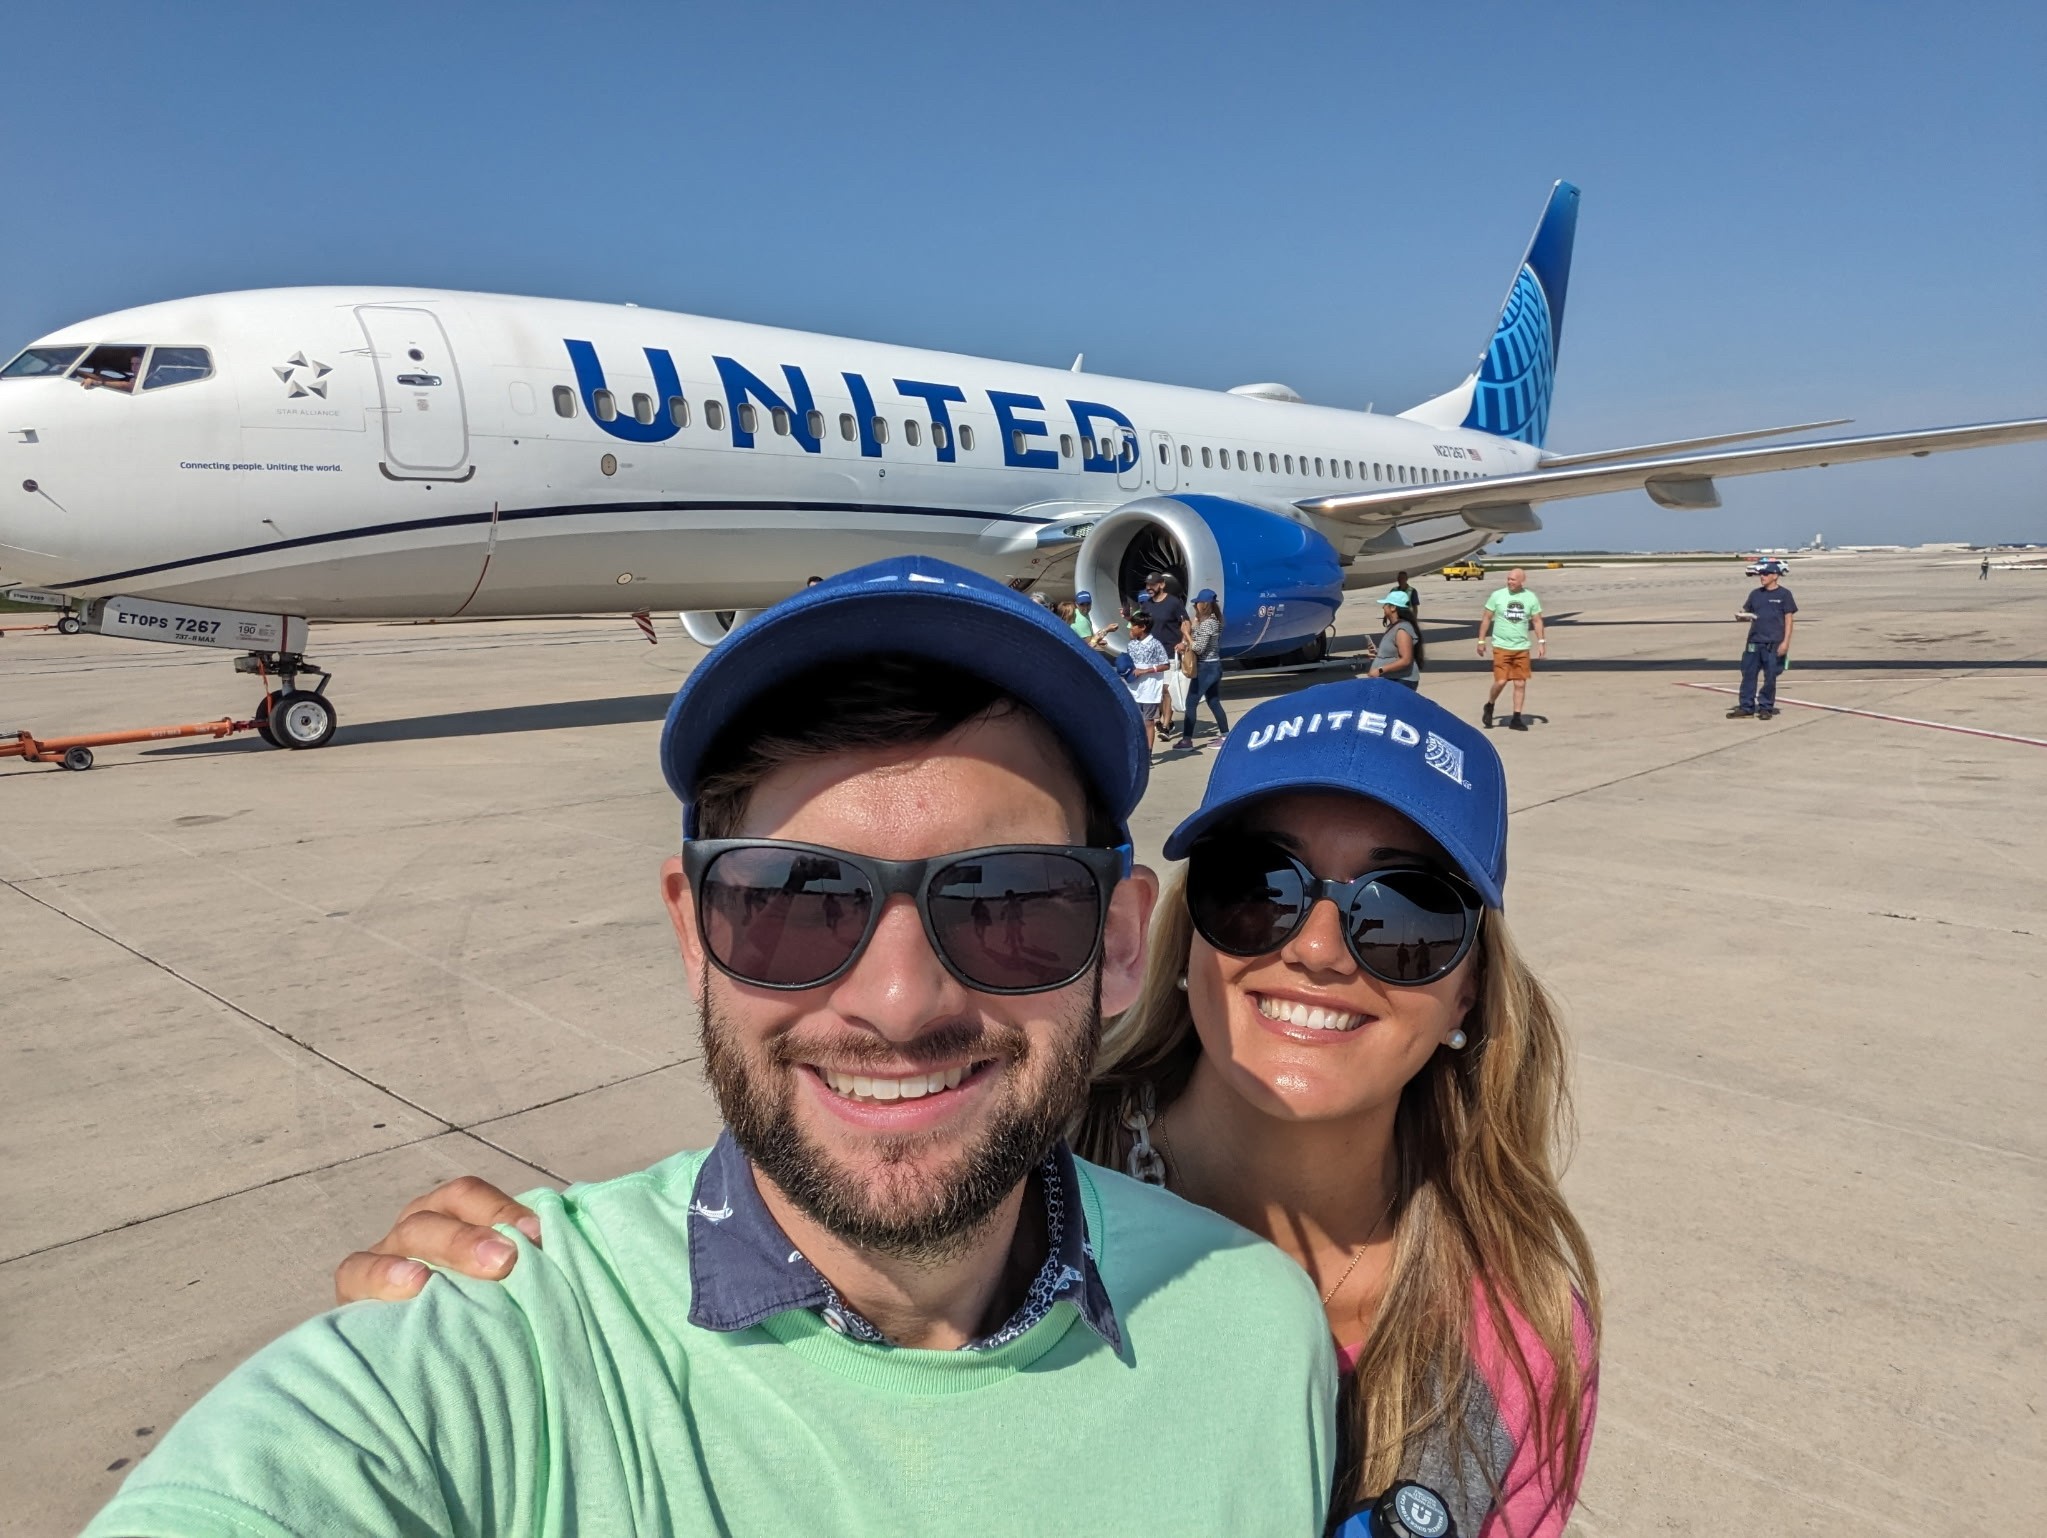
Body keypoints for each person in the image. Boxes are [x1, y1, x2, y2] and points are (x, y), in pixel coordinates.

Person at [86, 557, 1338, 1538]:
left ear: (1121, 946)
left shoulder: (1258, 1331)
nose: (896, 1002)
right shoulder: (489, 1351)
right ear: (695, 936)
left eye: (1006, 901)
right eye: (794, 898)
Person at [342, 678, 1600, 1536]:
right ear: (1165, 931)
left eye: (1406, 910)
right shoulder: (1006, 1160)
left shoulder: (1520, 1324)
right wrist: (491, 1307)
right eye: (1256, 888)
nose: (1319, 948)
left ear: (1473, 986)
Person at [1728, 560, 1797, 720]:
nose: (1762, 577)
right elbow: (1746, 612)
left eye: (1765, 574)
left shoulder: (1784, 595)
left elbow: (1789, 619)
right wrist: (1741, 617)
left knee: (1770, 676)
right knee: (1748, 674)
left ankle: (1766, 707)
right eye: (1761, 574)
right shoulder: (1755, 594)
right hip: (1754, 642)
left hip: (1773, 643)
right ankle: (1746, 707)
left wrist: (1785, 642)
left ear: (1775, 576)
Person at [1478, 569, 1545, 731]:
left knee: (1520, 683)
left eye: (1513, 580)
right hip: (1501, 646)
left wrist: (1541, 642)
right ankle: (1490, 704)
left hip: (1521, 647)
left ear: (1522, 580)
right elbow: (1486, 618)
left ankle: (1516, 718)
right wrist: (1481, 640)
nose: (1509, 582)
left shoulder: (1530, 597)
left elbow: (1537, 621)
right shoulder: (1498, 595)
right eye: (1508, 579)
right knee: (1501, 681)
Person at [1174, 588, 1229, 750]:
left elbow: (1198, 648)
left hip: (1207, 667)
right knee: (1213, 701)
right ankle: (1225, 735)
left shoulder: (1209, 624)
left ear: (1203, 605)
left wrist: (1187, 633)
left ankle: (1187, 740)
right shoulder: (1211, 622)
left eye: (1197, 603)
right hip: (1213, 666)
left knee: (1191, 702)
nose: (1195, 606)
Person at [1144, 575, 1190, 735]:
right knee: (1157, 691)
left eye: (1152, 585)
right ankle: (1167, 721)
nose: (1149, 588)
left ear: (1162, 584)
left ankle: (1165, 725)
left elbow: (1185, 622)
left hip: (1170, 652)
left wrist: (1184, 641)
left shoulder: (1173, 603)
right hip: (1152, 655)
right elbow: (1142, 626)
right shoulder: (1147, 605)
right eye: (1147, 585)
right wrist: (1128, 618)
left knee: (1166, 689)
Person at [1122, 610, 1172, 753]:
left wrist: (1146, 671)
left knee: (1148, 721)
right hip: (1134, 688)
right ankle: (1137, 749)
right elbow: (1129, 664)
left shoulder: (1155, 644)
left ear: (1142, 627)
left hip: (1150, 688)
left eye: (1133, 625)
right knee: (1134, 720)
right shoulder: (1131, 645)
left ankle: (1148, 752)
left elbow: (1166, 665)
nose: (1131, 628)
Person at [1366, 590, 1423, 690]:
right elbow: (1394, 653)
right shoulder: (1394, 627)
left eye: (1385, 604)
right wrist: (1378, 653)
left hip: (1401, 681)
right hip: (1393, 679)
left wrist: (1379, 670)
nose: (1383, 607)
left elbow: (1406, 660)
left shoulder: (1402, 629)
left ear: (1393, 608)